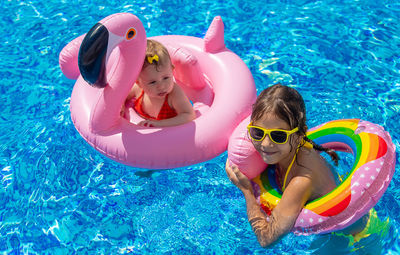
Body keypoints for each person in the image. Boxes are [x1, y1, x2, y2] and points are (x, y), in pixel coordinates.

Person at [225, 84, 372, 247]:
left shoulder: (300, 181)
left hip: (354, 241)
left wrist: (247, 191)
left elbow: (266, 238)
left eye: (278, 136)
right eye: (258, 133)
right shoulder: (291, 151)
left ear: (300, 135)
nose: (265, 144)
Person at [122, 39, 196, 127]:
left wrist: (159, 124)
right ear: (138, 82)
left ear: (172, 70)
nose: (161, 86)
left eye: (166, 78)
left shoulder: (174, 94)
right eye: (152, 82)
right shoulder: (138, 89)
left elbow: (189, 115)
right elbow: (121, 96)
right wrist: (121, 106)